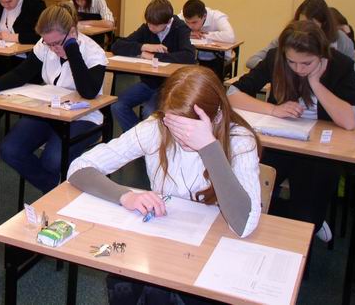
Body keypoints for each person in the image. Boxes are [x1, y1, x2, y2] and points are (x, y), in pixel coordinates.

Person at [69, 65, 261, 305]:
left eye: (189, 128)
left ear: (218, 117)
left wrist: (209, 147)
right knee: (125, 284)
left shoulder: (240, 141)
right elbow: (79, 168)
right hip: (164, 246)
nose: (180, 136)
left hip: (211, 256)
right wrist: (125, 196)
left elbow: (245, 225)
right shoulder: (156, 129)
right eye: (173, 124)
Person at [228, 20, 355, 242]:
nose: (299, 69)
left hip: (320, 152)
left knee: (305, 213)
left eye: (307, 63)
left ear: (321, 54)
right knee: (250, 196)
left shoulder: (341, 65)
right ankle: (299, 221)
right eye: (292, 62)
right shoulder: (276, 58)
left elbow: (350, 121)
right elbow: (232, 93)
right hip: (279, 144)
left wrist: (316, 83)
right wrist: (273, 110)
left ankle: (311, 222)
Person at [0, 4, 107, 193]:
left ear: (72, 32)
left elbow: (88, 92)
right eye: (48, 43)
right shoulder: (45, 45)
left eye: (57, 43)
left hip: (84, 117)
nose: (53, 49)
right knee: (10, 149)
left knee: (53, 159)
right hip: (50, 111)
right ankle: (54, 188)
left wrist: (71, 49)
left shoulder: (93, 52)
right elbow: (22, 73)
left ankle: (56, 191)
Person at [111, 0, 196, 132]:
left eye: (155, 25)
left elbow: (188, 56)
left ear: (167, 22)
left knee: (149, 112)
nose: (150, 27)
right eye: (149, 24)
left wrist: (154, 56)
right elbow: (117, 46)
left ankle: (147, 140)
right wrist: (144, 47)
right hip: (148, 83)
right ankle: (138, 138)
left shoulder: (180, 28)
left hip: (170, 86)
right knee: (118, 105)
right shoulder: (147, 27)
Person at [246, 0, 355, 83]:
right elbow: (252, 60)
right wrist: (280, 70)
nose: (305, 30)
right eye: (301, 23)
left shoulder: (341, 40)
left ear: (324, 24)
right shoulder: (290, 37)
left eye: (312, 25)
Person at [179, 0, 235, 78]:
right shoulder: (182, 15)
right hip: (194, 60)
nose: (190, 26)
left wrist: (204, 35)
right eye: (187, 22)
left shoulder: (216, 17)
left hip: (218, 60)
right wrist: (189, 33)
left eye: (194, 22)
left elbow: (230, 36)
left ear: (204, 16)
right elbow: (172, 30)